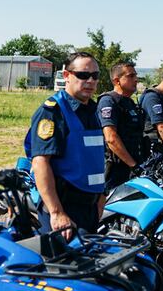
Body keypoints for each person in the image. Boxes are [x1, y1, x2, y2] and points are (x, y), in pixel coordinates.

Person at [24, 51, 105, 237]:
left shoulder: (93, 111)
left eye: (95, 76)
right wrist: (57, 212)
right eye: (83, 75)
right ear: (67, 76)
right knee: (63, 257)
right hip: (64, 207)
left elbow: (96, 159)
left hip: (90, 207)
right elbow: (40, 162)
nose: (90, 81)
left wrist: (101, 198)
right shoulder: (52, 112)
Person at [97, 61, 145, 190]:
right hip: (116, 169)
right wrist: (133, 165)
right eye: (130, 76)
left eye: (136, 75)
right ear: (117, 81)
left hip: (133, 165)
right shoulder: (109, 101)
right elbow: (111, 138)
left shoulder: (129, 102)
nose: (136, 79)